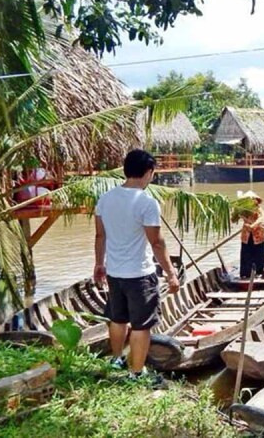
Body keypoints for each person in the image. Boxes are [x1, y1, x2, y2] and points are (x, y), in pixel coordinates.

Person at [94, 149, 180, 382]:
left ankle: (116, 359)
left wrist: (98, 264)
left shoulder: (105, 198)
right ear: (149, 173)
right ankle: (136, 373)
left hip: (114, 272)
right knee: (141, 325)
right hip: (139, 274)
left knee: (117, 318)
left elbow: (100, 236)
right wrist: (171, 273)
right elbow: (157, 242)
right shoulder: (146, 202)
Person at [237, 191, 264, 278]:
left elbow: (261, 218)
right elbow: (234, 218)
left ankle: (258, 273)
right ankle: (245, 274)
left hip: (258, 233)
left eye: (252, 199)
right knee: (246, 253)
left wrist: (252, 225)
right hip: (246, 234)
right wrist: (239, 215)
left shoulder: (258, 209)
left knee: (259, 253)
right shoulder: (243, 210)